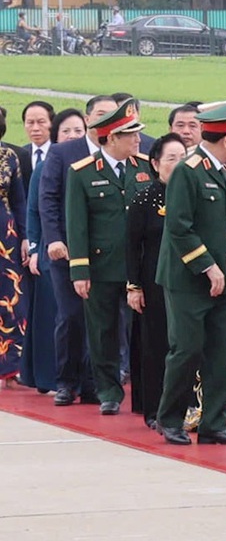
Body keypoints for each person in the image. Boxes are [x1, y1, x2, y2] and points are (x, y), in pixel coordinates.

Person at [155, 99, 226, 447]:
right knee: (186, 349)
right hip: (189, 281)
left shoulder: (219, 171)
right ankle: (170, 419)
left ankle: (214, 421)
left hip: (222, 279)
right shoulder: (188, 170)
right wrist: (208, 267)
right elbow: (179, 227)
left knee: (219, 351)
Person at [65, 99, 152, 415]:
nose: (138, 140)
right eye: (130, 134)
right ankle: (108, 391)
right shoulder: (83, 173)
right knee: (102, 332)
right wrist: (79, 270)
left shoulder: (144, 168)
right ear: (112, 137)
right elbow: (77, 224)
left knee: (142, 331)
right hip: (101, 266)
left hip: (138, 268)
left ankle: (145, 391)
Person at [40, 94, 117, 406]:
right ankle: (66, 381)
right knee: (71, 316)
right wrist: (54, 239)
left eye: (113, 116)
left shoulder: (123, 152)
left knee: (106, 321)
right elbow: (48, 198)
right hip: (70, 253)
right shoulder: (63, 152)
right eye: (100, 114)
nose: (106, 121)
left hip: (107, 254)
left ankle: (96, 383)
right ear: (87, 119)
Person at [125, 135, 183, 429]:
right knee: (155, 343)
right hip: (153, 280)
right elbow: (133, 246)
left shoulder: (191, 195)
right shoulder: (144, 199)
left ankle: (184, 406)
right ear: (156, 163)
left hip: (186, 281)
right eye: (171, 158)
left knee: (185, 345)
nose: (178, 163)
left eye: (182, 157)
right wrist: (134, 286)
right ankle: (154, 408)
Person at [17, 102, 59, 393]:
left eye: (41, 122)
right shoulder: (17, 156)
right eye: (29, 122)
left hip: (51, 247)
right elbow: (26, 205)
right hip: (24, 244)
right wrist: (29, 242)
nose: (35, 128)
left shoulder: (60, 157)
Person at [0, 107, 26, 386]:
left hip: (4, 234)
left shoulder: (9, 157)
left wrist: (25, 237)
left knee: (9, 297)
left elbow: (19, 200)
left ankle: (9, 368)